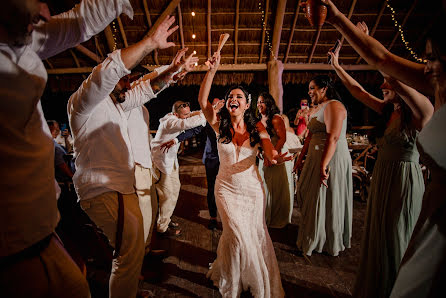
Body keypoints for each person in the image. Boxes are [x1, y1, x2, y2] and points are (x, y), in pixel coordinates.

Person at [0, 0, 134, 296]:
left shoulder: (18, 41)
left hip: (41, 226)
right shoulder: (84, 101)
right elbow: (106, 75)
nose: (45, 11)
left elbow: (76, 23)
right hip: (13, 239)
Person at [322, 0, 445, 296]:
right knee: (380, 237)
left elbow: (385, 63)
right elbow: (358, 90)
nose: (427, 66)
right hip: (385, 179)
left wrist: (362, 39)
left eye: (433, 58)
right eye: (426, 58)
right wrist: (338, 64)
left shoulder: (422, 107)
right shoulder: (390, 112)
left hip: (405, 181)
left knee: (400, 241)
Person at [68, 15, 181, 298]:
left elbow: (148, 89)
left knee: (134, 247)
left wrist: (172, 71)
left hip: (124, 184)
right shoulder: (84, 102)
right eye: (126, 78)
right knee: (128, 251)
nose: (131, 85)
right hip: (101, 188)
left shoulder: (121, 103)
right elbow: (107, 73)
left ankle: (130, 290)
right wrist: (149, 43)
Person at [198, 52, 288, 297]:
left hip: (251, 191)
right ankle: (233, 283)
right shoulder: (219, 124)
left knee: (251, 234)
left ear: (247, 104)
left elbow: (269, 150)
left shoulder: (257, 127)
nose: (233, 99)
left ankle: (239, 276)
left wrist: (275, 157)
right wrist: (212, 70)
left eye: (239, 96)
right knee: (237, 235)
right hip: (225, 188)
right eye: (230, 97)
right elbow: (203, 100)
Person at [294, 75, 353, 257]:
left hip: (331, 157)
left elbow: (333, 137)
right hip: (313, 155)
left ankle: (325, 239)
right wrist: (300, 158)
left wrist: (323, 165)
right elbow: (310, 136)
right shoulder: (317, 108)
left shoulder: (334, 105)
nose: (309, 92)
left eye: (312, 88)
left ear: (324, 89)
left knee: (325, 197)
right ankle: (312, 232)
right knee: (307, 194)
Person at [159, 98, 224, 230]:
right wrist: (177, 140)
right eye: (214, 105)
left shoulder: (228, 118)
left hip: (228, 158)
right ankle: (213, 218)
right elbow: (193, 131)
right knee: (211, 188)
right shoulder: (206, 118)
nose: (215, 107)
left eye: (217, 105)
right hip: (212, 157)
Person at [151, 101, 206, 236]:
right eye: (185, 115)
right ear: (176, 114)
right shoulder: (170, 121)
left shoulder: (179, 117)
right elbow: (188, 124)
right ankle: (162, 228)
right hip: (161, 162)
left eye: (188, 114)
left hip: (171, 161)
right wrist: (207, 113)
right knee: (167, 194)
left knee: (175, 189)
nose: (187, 117)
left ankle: (165, 219)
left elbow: (193, 121)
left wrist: (200, 112)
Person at [256, 92, 291, 228]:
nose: (259, 105)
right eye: (258, 102)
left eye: (262, 102)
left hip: (276, 155)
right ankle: (265, 216)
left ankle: (278, 218)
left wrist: (272, 156)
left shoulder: (276, 118)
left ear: (269, 103)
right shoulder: (258, 120)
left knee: (276, 187)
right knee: (263, 187)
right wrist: (261, 153)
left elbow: (282, 138)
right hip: (263, 156)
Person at [282, 114, 302, 220]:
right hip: (289, 163)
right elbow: (299, 149)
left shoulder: (289, 136)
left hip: (286, 163)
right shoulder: (292, 136)